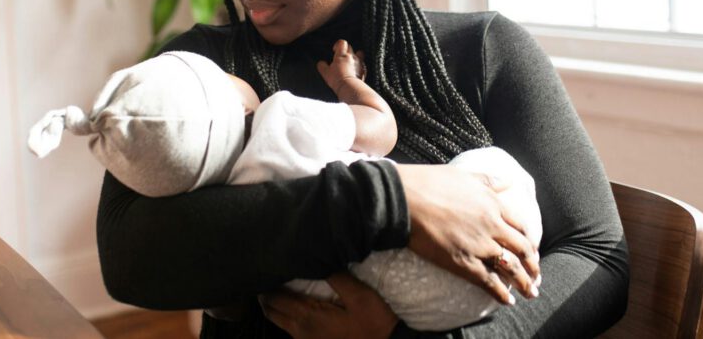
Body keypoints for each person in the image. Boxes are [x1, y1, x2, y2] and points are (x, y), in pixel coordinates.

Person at [97, 0, 629, 338]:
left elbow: (597, 256)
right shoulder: (208, 74)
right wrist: (389, 200)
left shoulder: (481, 52)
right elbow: (129, 258)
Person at [30, 43, 542, 332]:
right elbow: (380, 131)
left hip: (415, 310)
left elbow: (228, 298)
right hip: (493, 271)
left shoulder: (215, 198)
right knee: (490, 168)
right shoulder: (282, 117)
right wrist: (347, 87)